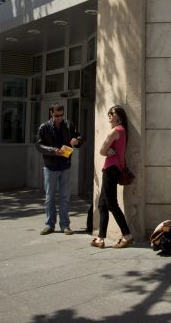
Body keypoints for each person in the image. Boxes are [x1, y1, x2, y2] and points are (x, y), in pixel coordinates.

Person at [36, 103, 84, 235]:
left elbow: (80, 137)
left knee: (65, 196)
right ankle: (50, 225)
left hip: (65, 166)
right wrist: (52, 150)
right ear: (51, 113)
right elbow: (38, 145)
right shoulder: (44, 127)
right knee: (49, 197)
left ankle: (65, 225)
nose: (59, 118)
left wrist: (77, 140)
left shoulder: (68, 125)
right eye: (57, 115)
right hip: (50, 167)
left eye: (61, 115)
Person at [90, 105, 134, 249]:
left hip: (110, 170)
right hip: (114, 169)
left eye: (112, 113)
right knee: (103, 204)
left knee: (112, 205)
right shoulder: (123, 131)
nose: (109, 115)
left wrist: (107, 152)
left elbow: (102, 151)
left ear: (119, 117)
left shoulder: (115, 131)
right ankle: (101, 239)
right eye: (108, 113)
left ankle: (127, 235)